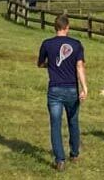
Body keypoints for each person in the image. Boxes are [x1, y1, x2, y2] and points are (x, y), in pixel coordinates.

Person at [37, 14, 87, 172]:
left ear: (55, 27)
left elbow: (40, 64)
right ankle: (74, 153)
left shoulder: (46, 44)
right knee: (73, 121)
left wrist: (50, 66)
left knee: (55, 124)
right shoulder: (77, 44)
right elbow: (79, 67)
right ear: (67, 27)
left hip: (54, 90)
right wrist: (84, 87)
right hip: (72, 88)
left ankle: (60, 159)